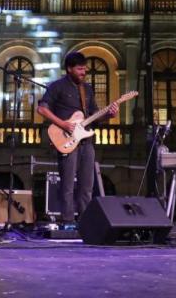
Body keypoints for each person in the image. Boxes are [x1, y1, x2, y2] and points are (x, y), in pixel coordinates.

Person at [37, 52, 118, 228]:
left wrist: (109, 116)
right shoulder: (57, 86)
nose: (84, 71)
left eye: (85, 68)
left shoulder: (87, 89)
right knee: (67, 184)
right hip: (66, 140)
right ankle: (67, 222)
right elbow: (42, 109)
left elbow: (94, 116)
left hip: (86, 142)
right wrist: (64, 125)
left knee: (87, 185)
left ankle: (85, 222)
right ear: (69, 69)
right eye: (80, 68)